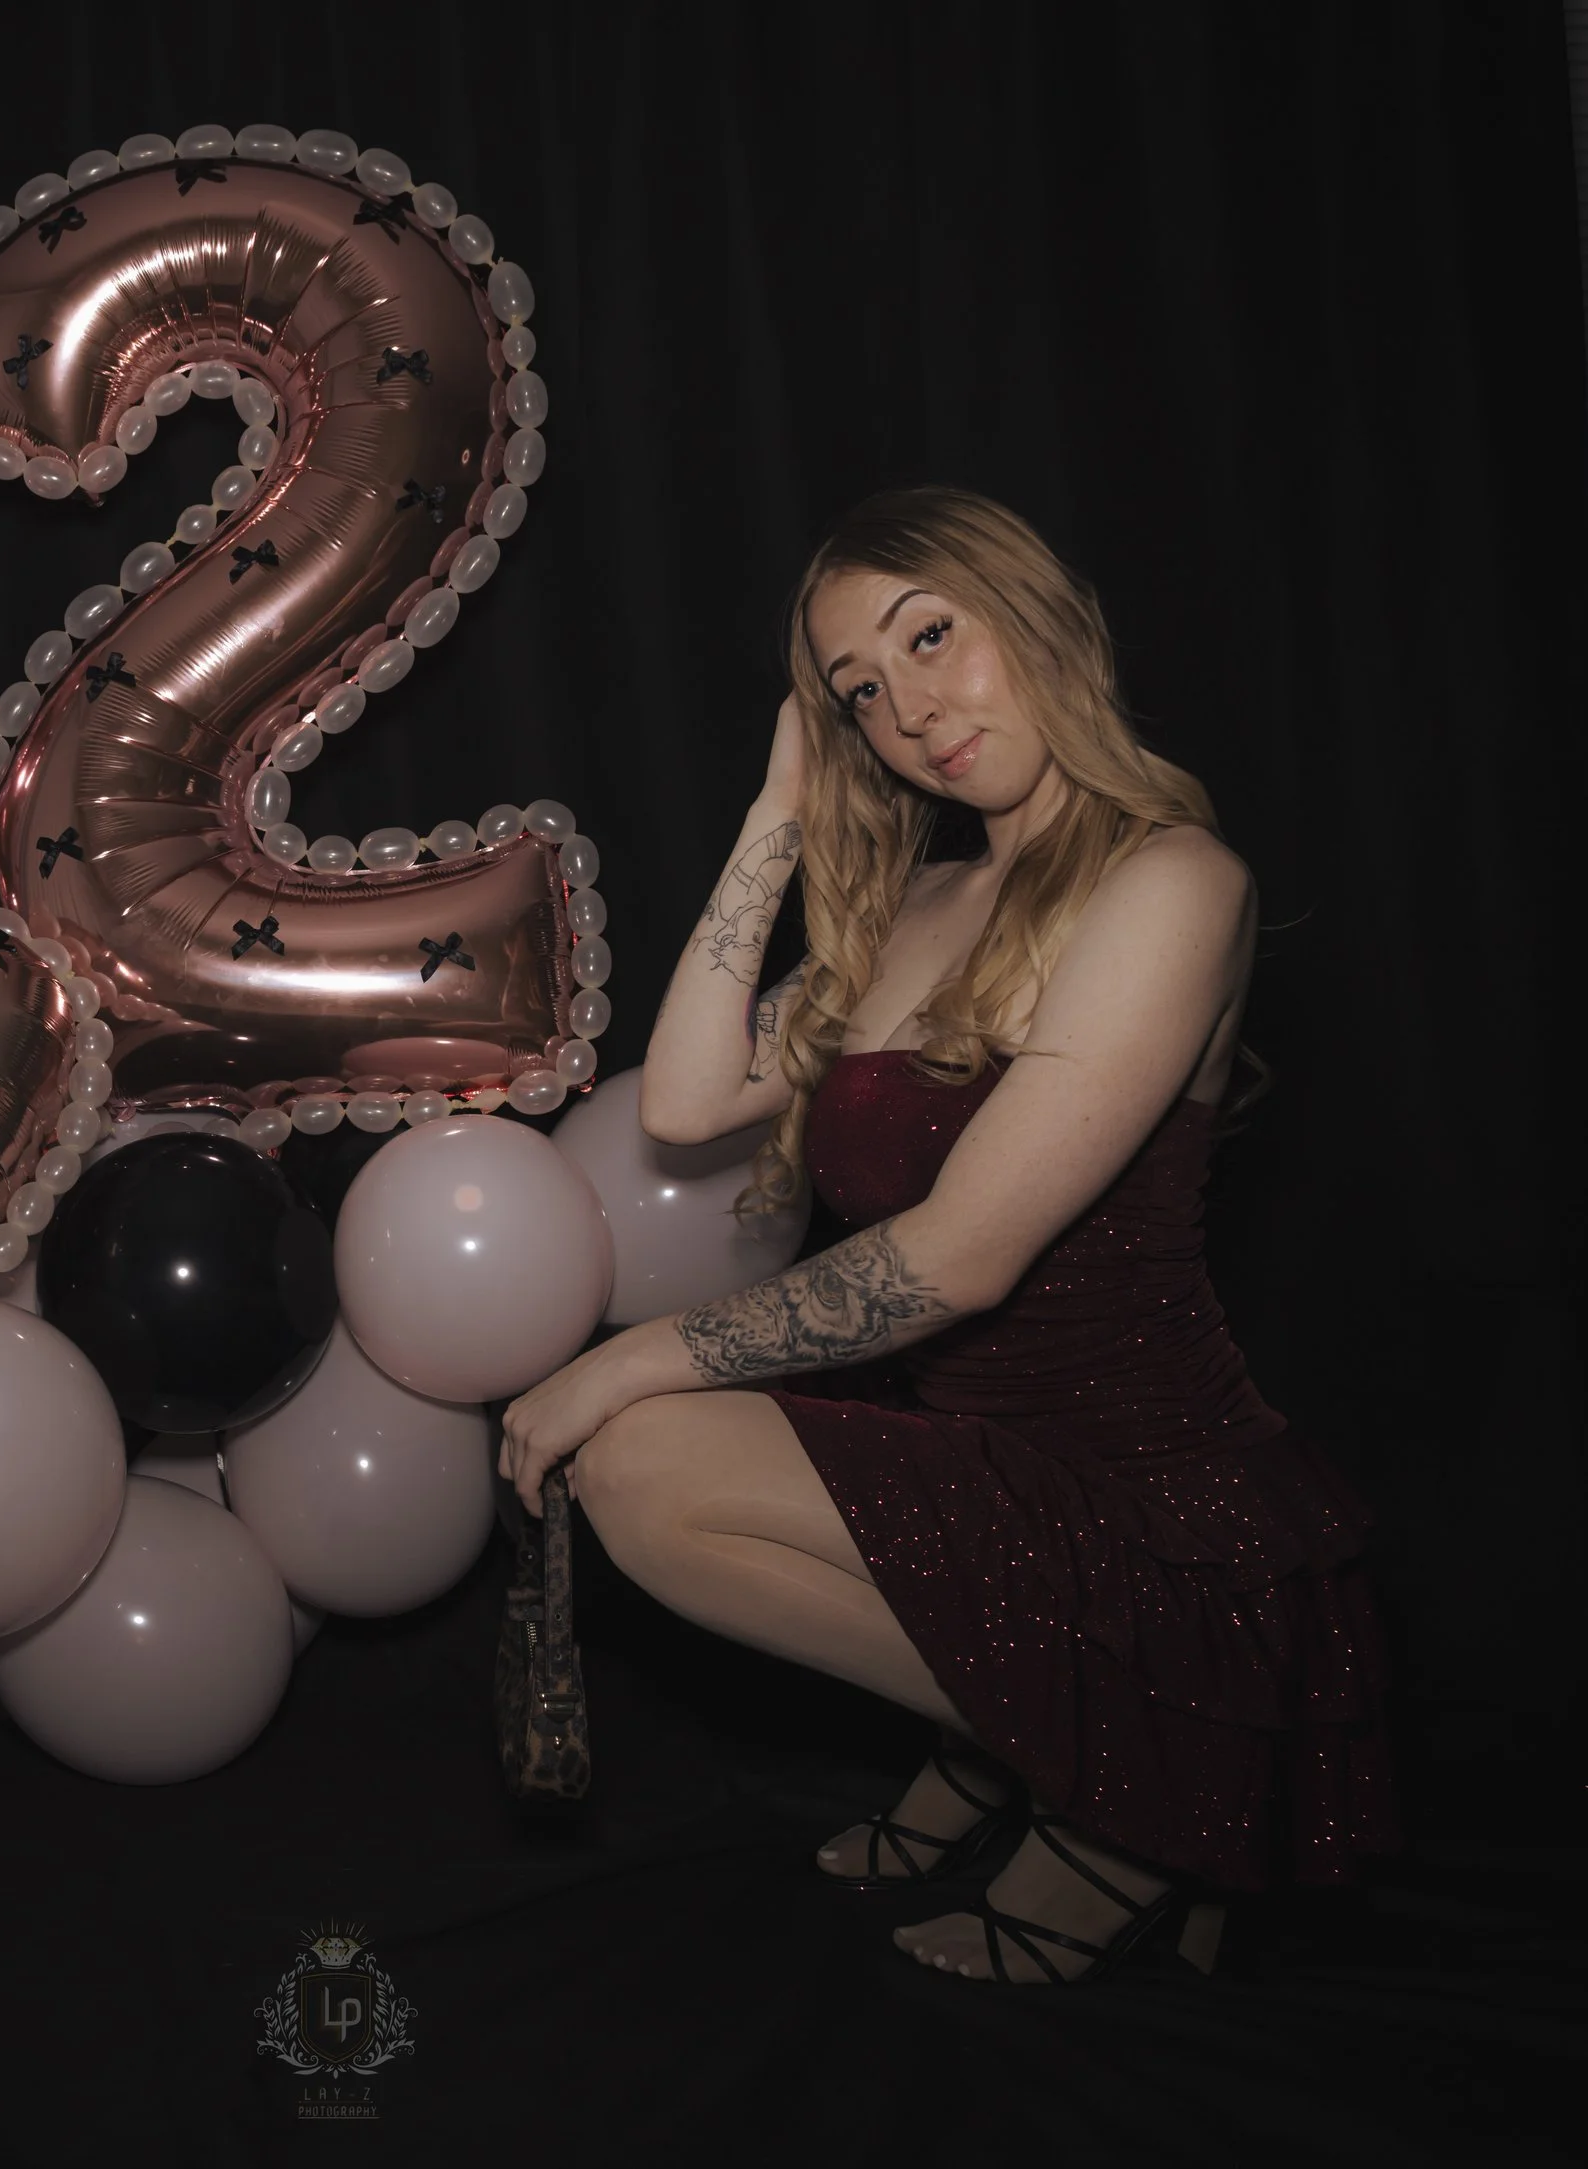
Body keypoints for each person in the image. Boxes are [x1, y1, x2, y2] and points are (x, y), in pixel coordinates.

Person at [499, 485, 1397, 1985]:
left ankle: (1134, 1801)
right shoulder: (921, 896)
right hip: (981, 1460)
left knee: (639, 1451)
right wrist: (776, 819)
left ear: (1031, 614)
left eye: (933, 637)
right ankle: (1046, 1756)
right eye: (861, 690)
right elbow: (691, 1098)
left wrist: (629, 1359)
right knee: (638, 1480)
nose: (909, 708)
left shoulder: (1172, 878)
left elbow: (959, 1255)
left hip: (1152, 1501)